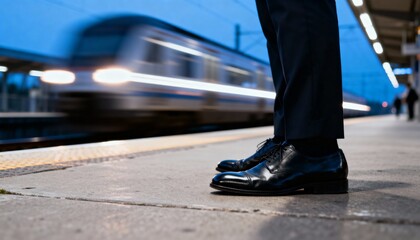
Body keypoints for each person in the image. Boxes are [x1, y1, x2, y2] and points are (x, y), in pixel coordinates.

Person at [210, 0, 348, 195]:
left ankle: (313, 148)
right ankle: (287, 137)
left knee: (299, 9)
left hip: (313, 148)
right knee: (276, 19)